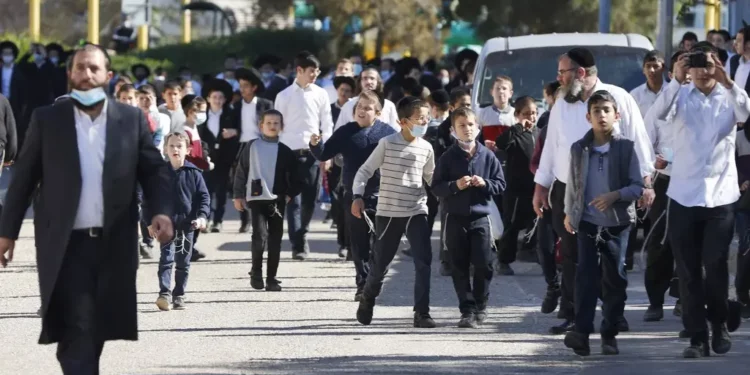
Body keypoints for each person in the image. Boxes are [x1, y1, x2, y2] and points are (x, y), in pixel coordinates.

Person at [0, 43, 174, 374]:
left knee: (96, 329)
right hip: (64, 244)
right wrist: (6, 232)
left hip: (113, 244)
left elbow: (153, 170)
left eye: (94, 68)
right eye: (80, 67)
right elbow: (23, 179)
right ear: (69, 75)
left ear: (108, 76)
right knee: (75, 327)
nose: (86, 74)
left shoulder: (130, 119)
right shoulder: (48, 119)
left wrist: (161, 210)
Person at [532, 47, 655, 335]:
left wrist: (646, 183)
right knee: (574, 258)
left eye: (563, 72)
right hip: (569, 191)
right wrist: (541, 186)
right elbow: (552, 147)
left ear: (581, 73)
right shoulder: (562, 103)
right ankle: (575, 316)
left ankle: (614, 314)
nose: (558, 78)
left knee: (613, 260)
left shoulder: (617, 98)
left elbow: (639, 141)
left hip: (609, 191)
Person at [648, 41, 748, 358]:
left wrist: (727, 80)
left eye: (708, 64)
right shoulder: (680, 96)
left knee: (715, 264)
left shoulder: (729, 97)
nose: (703, 72)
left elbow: (746, 110)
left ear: (717, 65)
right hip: (683, 196)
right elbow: (655, 117)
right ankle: (696, 337)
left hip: (720, 197)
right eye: (696, 65)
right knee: (688, 271)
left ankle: (718, 325)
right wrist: (676, 79)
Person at [561, 90, 645, 356]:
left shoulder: (626, 148)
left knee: (615, 279)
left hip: (617, 224)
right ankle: (582, 333)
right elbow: (573, 185)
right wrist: (569, 213)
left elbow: (637, 186)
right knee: (585, 277)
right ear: (589, 117)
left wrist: (614, 196)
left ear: (616, 115)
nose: (601, 115)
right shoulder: (579, 148)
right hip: (586, 223)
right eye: (596, 111)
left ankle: (609, 332)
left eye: (606, 110)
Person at [353, 96, 436, 328]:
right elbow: (364, 171)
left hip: (416, 210)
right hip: (389, 212)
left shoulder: (427, 148)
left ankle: (422, 313)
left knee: (424, 262)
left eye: (427, 118)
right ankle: (368, 298)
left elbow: (432, 178)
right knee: (380, 265)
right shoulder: (387, 143)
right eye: (420, 119)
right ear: (403, 122)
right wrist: (357, 196)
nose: (424, 122)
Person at [310, 91, 396, 300]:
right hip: (353, 195)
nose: (361, 111)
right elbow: (324, 153)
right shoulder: (345, 132)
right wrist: (315, 144)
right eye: (359, 107)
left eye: (367, 108)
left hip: (382, 195)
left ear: (377, 112)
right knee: (358, 243)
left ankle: (376, 278)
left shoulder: (388, 133)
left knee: (381, 242)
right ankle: (363, 284)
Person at [431, 107, 505, 328]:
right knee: (459, 265)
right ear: (453, 131)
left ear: (478, 127)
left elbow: (501, 184)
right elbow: (436, 187)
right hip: (454, 218)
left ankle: (481, 304)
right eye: (462, 126)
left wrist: (485, 184)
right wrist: (455, 186)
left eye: (471, 124)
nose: (467, 129)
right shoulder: (447, 157)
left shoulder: (488, 155)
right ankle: (467, 309)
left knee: (484, 264)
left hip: (481, 219)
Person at [641, 50, 687, 323]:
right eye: (682, 68)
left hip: (693, 183)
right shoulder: (662, 104)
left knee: (689, 243)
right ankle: (655, 301)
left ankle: (685, 298)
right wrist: (652, 168)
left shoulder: (707, 102)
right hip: (665, 181)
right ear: (673, 73)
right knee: (660, 243)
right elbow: (646, 142)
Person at [274, 51, 333, 260]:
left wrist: (327, 153)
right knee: (293, 201)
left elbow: (327, 123)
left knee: (310, 200)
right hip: (289, 153)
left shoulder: (321, 94)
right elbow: (276, 126)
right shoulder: (283, 96)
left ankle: (303, 232)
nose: (314, 75)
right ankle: (297, 245)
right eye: (311, 71)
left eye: (317, 71)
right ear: (299, 70)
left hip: (312, 154)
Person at [233, 109, 301, 292]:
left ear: (282, 127)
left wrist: (288, 194)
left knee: (275, 239)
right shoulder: (251, 146)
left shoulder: (285, 151)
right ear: (261, 125)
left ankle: (272, 278)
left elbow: (297, 177)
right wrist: (238, 195)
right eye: (268, 123)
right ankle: (256, 272)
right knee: (259, 235)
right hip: (256, 198)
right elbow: (241, 171)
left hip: (276, 200)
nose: (272, 126)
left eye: (276, 123)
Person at [154, 132, 209, 311]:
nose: (175, 149)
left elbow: (203, 197)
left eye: (179, 146)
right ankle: (164, 294)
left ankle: (179, 295)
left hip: (187, 224)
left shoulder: (194, 173)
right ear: (165, 149)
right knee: (166, 259)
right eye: (171, 146)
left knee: (183, 262)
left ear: (188, 150)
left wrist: (202, 216)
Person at [495, 96, 538, 275]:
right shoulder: (515, 134)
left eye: (534, 113)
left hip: (535, 189)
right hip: (516, 191)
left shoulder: (539, 133)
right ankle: (504, 260)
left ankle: (533, 252)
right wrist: (519, 127)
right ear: (517, 115)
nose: (532, 117)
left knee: (538, 223)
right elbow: (501, 143)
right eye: (527, 113)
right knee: (512, 226)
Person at [531, 81, 562, 315]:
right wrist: (541, 186)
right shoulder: (548, 124)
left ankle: (572, 303)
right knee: (545, 245)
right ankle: (553, 286)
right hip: (550, 191)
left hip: (578, 193)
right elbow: (537, 161)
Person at [233, 67, 273, 233]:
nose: (243, 89)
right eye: (241, 86)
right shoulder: (235, 106)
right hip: (242, 146)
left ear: (254, 87)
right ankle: (245, 220)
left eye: (246, 86)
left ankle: (264, 217)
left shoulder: (265, 104)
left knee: (262, 183)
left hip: (260, 146)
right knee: (241, 184)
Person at [198, 78, 239, 234]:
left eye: (220, 97)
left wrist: (234, 132)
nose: (217, 100)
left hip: (224, 158)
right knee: (205, 191)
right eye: (214, 97)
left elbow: (239, 130)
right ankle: (205, 219)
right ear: (208, 99)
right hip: (205, 158)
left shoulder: (231, 113)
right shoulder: (201, 115)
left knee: (221, 191)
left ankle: (218, 221)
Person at [334, 67, 400, 131]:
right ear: (360, 82)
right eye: (365, 78)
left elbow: (396, 131)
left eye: (372, 78)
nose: (368, 82)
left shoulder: (389, 105)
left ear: (378, 82)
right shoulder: (349, 105)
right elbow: (338, 132)